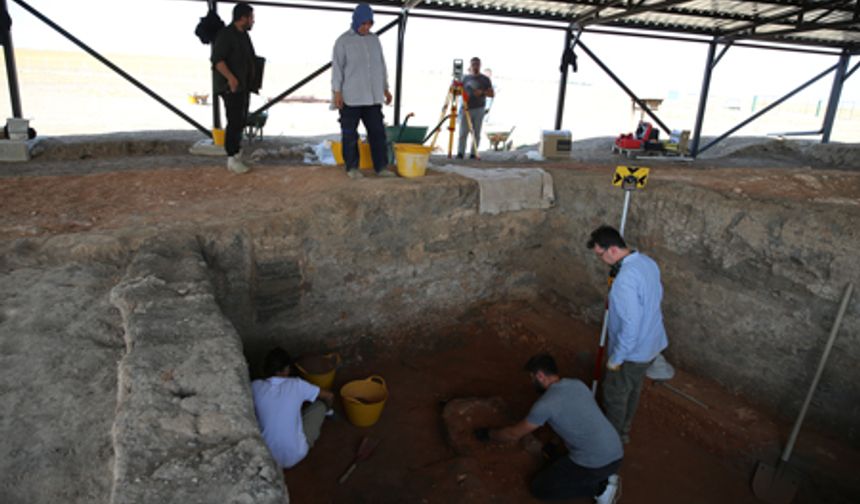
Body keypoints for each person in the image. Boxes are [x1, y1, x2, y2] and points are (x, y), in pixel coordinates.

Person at [475, 354, 623, 503]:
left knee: (540, 488)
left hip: (597, 464)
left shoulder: (545, 405)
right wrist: (553, 442)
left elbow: (513, 434)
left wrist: (489, 434)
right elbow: (575, 417)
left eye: (532, 377)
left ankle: (600, 488)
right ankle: (604, 475)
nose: (531, 381)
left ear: (540, 376)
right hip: (616, 451)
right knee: (554, 459)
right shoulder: (577, 384)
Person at [587, 225, 669, 444]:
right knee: (633, 387)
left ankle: (611, 440)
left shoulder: (624, 281)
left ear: (612, 250)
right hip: (652, 343)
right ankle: (624, 429)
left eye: (600, 255)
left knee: (615, 393)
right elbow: (656, 298)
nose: (601, 259)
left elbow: (630, 325)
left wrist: (616, 358)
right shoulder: (647, 263)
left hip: (633, 351)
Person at [331, 3, 395, 180]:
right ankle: (352, 167)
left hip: (373, 97)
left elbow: (381, 65)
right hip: (351, 97)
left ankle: (381, 167)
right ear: (356, 21)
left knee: (377, 133)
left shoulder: (374, 40)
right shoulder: (343, 41)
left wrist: (386, 88)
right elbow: (337, 68)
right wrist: (337, 92)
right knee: (350, 134)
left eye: (370, 24)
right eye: (363, 23)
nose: (366, 27)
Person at [251, 347, 334, 469]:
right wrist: (329, 408)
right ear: (285, 370)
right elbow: (329, 396)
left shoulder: (254, 387)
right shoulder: (297, 384)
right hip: (296, 454)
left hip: (267, 458)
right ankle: (329, 413)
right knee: (320, 406)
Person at [211, 2, 258, 174]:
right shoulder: (226, 35)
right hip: (230, 87)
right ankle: (231, 158)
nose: (253, 21)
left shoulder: (243, 36)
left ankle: (237, 154)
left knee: (240, 119)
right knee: (234, 120)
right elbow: (218, 61)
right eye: (251, 17)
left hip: (243, 86)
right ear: (243, 18)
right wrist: (231, 78)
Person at [457, 57, 494, 160]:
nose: (475, 66)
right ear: (470, 65)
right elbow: (458, 91)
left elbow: (491, 94)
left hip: (479, 109)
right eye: (473, 64)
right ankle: (460, 153)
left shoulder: (485, 79)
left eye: (477, 64)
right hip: (465, 109)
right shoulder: (465, 78)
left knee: (476, 133)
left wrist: (482, 92)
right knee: (463, 133)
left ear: (480, 65)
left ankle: (473, 153)